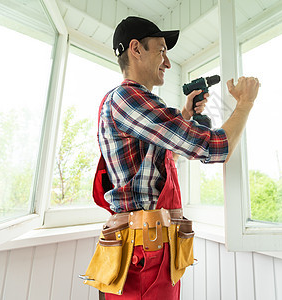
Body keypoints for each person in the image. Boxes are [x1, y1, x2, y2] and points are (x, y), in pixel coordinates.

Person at [84, 16, 259, 300]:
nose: (167, 62)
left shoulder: (136, 105)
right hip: (142, 253)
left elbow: (160, 151)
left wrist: (186, 114)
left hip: (151, 248)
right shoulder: (127, 98)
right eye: (162, 50)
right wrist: (245, 104)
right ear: (136, 49)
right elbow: (215, 148)